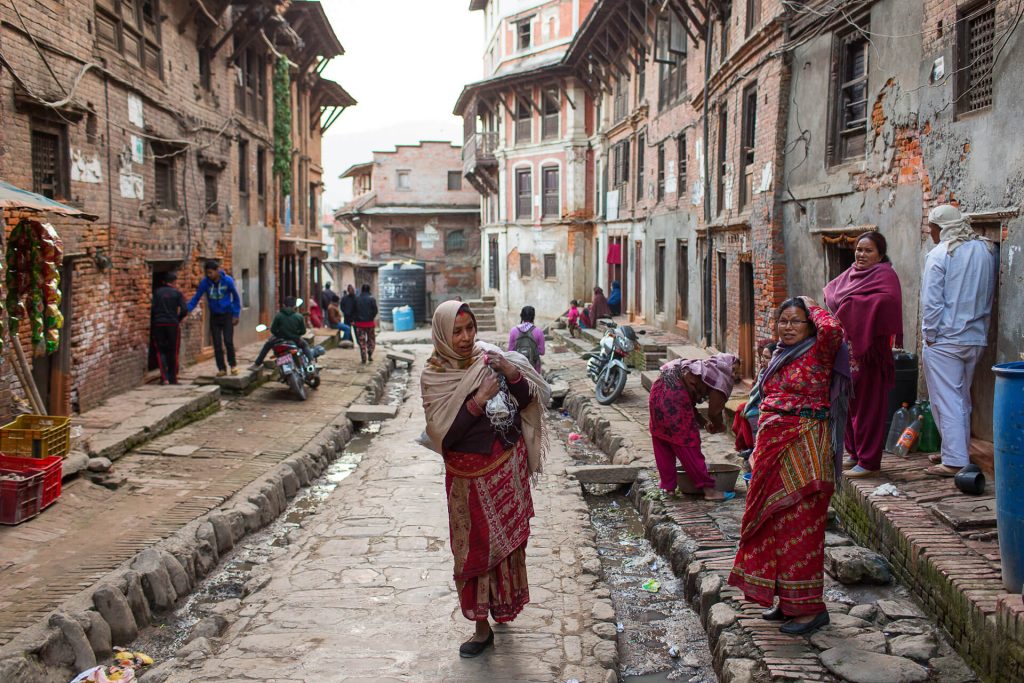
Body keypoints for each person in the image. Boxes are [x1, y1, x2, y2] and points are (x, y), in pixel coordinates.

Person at [420, 301, 550, 658]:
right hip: (466, 481)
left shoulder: (487, 360)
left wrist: (510, 371)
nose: (465, 338)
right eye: (456, 331)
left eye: (470, 328)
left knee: (507, 550)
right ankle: (481, 629)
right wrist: (478, 400)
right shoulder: (434, 376)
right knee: (474, 553)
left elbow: (525, 401)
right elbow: (444, 435)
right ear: (443, 335)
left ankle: (503, 607)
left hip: (505, 468)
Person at [729, 297, 848, 636]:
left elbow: (833, 327)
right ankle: (786, 601)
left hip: (805, 450)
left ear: (810, 325)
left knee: (801, 530)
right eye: (784, 320)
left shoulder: (820, 351)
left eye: (797, 321)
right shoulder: (779, 355)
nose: (789, 327)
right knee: (775, 526)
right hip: (772, 448)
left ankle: (810, 610)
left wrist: (813, 305)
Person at [921, 204, 997, 477]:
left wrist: (929, 335)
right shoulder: (985, 250)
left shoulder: (940, 254)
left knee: (947, 398)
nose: (930, 232)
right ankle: (956, 450)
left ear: (940, 227)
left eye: (931, 227)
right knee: (961, 397)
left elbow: (932, 302)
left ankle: (954, 460)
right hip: (975, 337)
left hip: (945, 339)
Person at [823, 231, 903, 478]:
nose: (861, 255)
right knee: (846, 403)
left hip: (870, 353)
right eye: (859, 249)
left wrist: (853, 306)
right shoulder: (851, 273)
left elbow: (888, 303)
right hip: (847, 351)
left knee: (869, 407)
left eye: (868, 251)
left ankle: (869, 462)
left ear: (880, 255)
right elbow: (831, 292)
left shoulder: (885, 276)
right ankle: (854, 453)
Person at [648, 353, 740, 501]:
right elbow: (714, 411)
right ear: (724, 366)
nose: (734, 375)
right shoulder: (720, 377)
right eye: (733, 370)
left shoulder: (700, 367)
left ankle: (668, 488)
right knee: (688, 443)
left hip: (657, 392)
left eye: (737, 372)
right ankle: (709, 491)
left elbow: (689, 403)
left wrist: (703, 422)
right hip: (674, 397)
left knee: (662, 439)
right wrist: (718, 426)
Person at [188, 260, 242, 377]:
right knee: (217, 344)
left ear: (217, 270)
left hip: (227, 314)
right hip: (214, 316)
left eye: (211, 272)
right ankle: (221, 368)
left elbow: (236, 298)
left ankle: (233, 365)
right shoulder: (205, 283)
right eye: (207, 273)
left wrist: (236, 314)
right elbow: (196, 297)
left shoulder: (227, 281)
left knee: (228, 341)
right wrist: (187, 309)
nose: (209, 275)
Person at [250, 296, 314, 369]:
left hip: (279, 339)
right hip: (295, 340)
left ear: (284, 305)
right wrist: (296, 334)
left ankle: (257, 363)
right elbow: (303, 331)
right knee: (305, 345)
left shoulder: (279, 316)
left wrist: (279, 334)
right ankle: (311, 362)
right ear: (295, 306)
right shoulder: (299, 316)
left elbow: (273, 330)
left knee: (267, 345)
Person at [151, 272, 188, 385]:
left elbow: (152, 309)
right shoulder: (177, 293)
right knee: (173, 351)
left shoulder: (157, 292)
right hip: (172, 324)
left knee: (160, 351)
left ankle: (164, 378)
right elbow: (184, 310)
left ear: (164, 282)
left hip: (158, 324)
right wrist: (177, 319)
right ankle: (173, 378)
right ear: (174, 282)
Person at [508, 305, 545, 373]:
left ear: (521, 316)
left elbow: (510, 351)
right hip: (534, 369)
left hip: (518, 367)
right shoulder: (538, 331)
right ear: (533, 317)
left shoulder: (513, 330)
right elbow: (542, 352)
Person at [353, 284, 378, 364]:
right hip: (370, 324)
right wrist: (371, 317)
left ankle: (363, 356)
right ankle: (370, 352)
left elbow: (354, 311)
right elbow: (375, 311)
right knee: (371, 339)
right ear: (369, 290)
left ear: (362, 290)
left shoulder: (357, 299)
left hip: (360, 324)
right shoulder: (372, 299)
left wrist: (356, 320)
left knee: (361, 341)